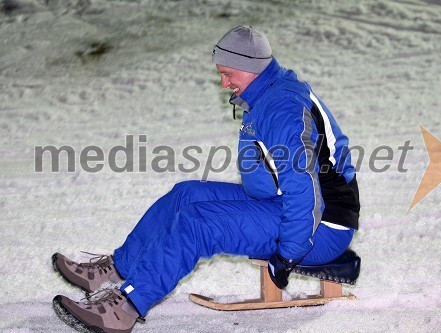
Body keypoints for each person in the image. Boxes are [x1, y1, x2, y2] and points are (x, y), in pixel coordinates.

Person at [52, 26, 360, 333]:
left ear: (252, 67)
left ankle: (123, 311)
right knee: (187, 195)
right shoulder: (269, 91)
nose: (224, 83)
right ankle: (117, 269)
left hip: (320, 227)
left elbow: (302, 186)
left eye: (229, 73)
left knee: (199, 222)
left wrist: (289, 253)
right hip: (283, 205)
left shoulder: (282, 107)